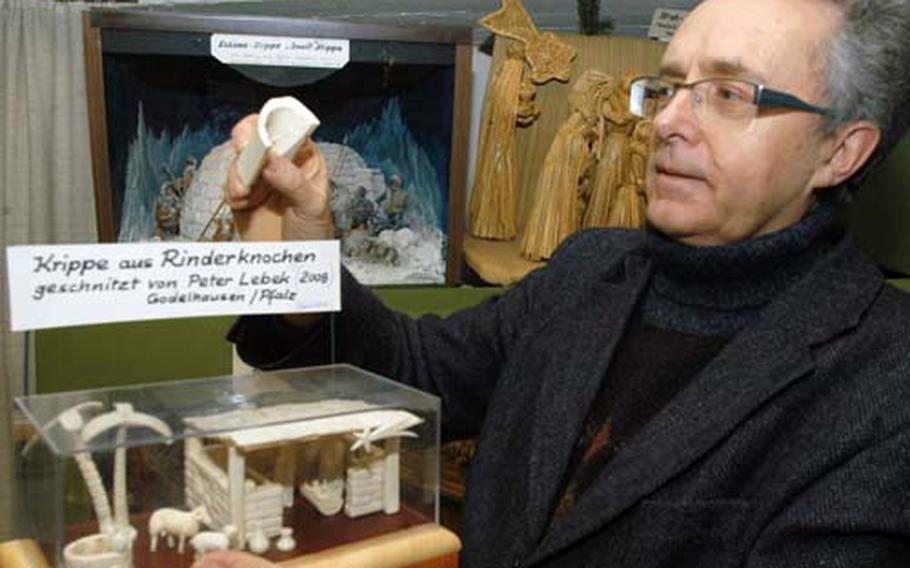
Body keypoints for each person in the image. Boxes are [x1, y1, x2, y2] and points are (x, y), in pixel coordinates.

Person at [197, 0, 910, 566]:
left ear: (840, 151)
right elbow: (409, 373)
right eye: (667, 86)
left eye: (727, 92)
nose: (666, 121)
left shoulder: (886, 385)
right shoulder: (589, 269)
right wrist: (304, 242)